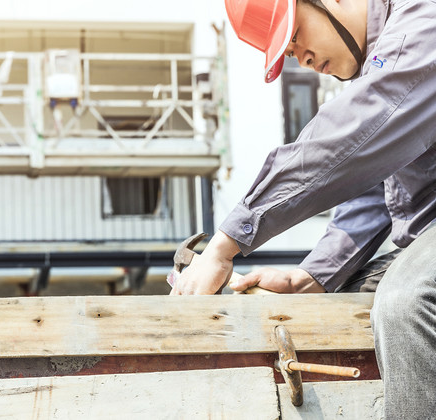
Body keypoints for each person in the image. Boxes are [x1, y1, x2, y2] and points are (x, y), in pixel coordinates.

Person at [169, 0, 436, 417]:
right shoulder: (380, 62)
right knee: (347, 297)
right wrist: (313, 276)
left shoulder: (422, 25)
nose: (304, 59)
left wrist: (223, 246)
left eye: (294, 36)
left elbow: (348, 141)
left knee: (406, 301)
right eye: (291, 54)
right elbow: (375, 181)